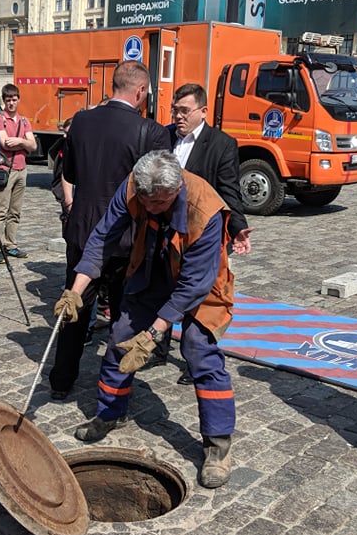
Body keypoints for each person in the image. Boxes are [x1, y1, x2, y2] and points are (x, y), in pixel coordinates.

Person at [55, 150, 237, 488]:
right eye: (146, 201)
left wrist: (153, 333)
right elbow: (102, 238)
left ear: (176, 189)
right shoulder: (133, 188)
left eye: (159, 203)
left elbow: (191, 287)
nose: (150, 208)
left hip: (203, 286)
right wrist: (75, 290)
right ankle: (111, 412)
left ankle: (218, 444)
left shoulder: (206, 211)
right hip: (152, 270)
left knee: (199, 352)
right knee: (120, 337)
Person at [48, 60, 171, 400]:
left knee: (76, 305)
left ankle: (61, 380)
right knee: (124, 315)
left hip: (83, 229)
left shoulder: (81, 122)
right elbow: (158, 187)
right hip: (128, 237)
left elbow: (68, 172)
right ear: (141, 91)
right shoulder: (152, 131)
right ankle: (115, 387)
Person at [149, 82, 254, 382]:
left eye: (184, 111)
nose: (178, 116)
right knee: (162, 288)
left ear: (203, 111)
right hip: (165, 231)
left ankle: (194, 358)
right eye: (175, 110)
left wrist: (238, 228)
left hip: (199, 235)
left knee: (199, 297)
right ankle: (158, 348)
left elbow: (228, 191)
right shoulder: (164, 136)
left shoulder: (221, 144)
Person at [0, 84, 37, 263]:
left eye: (14, 99)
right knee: (0, 211)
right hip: (4, 170)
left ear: (18, 100)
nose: (11, 103)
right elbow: (5, 142)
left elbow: (34, 146)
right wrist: (24, 142)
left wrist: (20, 141)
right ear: (4, 100)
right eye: (8, 100)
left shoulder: (24, 121)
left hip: (21, 170)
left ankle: (11, 244)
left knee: (15, 211)